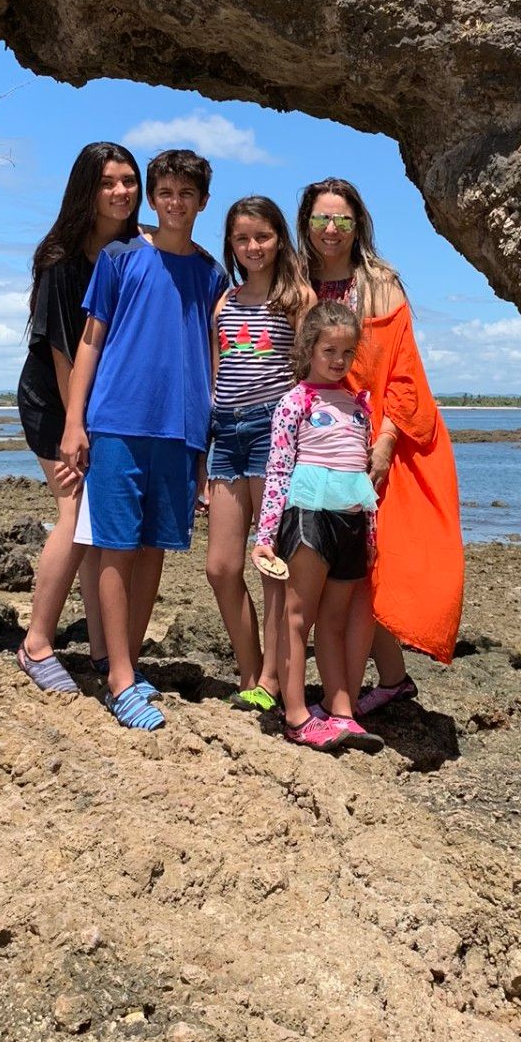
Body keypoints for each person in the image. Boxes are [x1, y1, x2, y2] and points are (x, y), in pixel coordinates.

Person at [61, 148, 228, 731]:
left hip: (181, 431)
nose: (174, 203)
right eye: (165, 193)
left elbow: (216, 360)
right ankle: (119, 676)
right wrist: (74, 422)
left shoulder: (212, 275)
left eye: (186, 194)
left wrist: (207, 446)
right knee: (115, 545)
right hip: (118, 423)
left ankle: (129, 662)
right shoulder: (120, 257)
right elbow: (89, 341)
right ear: (152, 199)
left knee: (154, 547)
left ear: (202, 203)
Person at [296, 177, 465, 711]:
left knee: (373, 565)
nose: (330, 229)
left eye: (341, 220)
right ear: (305, 224)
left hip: (380, 442)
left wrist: (387, 440)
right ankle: (388, 678)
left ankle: (358, 691)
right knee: (334, 568)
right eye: (321, 218)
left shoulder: (381, 284)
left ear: (357, 224)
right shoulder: (295, 281)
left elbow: (405, 375)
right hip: (317, 441)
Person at [15, 143, 141, 694]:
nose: (120, 192)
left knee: (93, 522)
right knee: (76, 513)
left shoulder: (135, 253)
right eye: (107, 182)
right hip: (55, 400)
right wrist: (75, 427)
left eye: (128, 181)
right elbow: (65, 353)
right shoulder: (62, 262)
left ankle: (97, 648)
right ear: (86, 191)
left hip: (103, 407)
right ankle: (36, 643)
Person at [251, 302, 383, 752]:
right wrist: (265, 538)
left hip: (350, 520)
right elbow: (277, 470)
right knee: (296, 618)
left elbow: (362, 473)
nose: (339, 360)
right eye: (329, 350)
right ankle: (294, 714)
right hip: (308, 518)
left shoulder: (358, 404)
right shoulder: (295, 402)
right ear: (309, 348)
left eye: (348, 351)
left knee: (334, 619)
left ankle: (340, 709)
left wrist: (370, 536)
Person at [206, 197, 313, 711]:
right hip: (226, 435)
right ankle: (249, 670)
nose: (253, 247)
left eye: (263, 236)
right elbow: (214, 376)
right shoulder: (224, 302)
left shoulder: (297, 299)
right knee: (221, 568)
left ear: (279, 240)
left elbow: (307, 377)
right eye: (242, 238)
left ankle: (269, 680)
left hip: (274, 432)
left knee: (270, 565)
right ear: (231, 243)